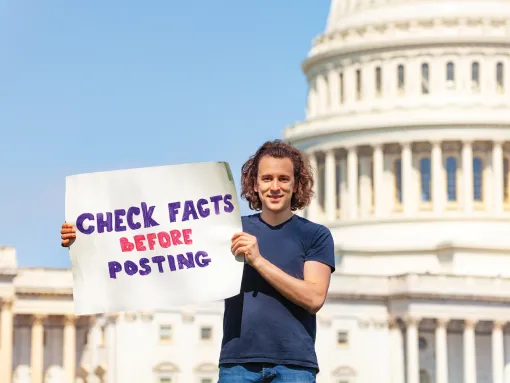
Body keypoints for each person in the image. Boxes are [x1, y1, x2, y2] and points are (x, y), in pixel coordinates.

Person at [60, 139, 335, 383]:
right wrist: (84, 238)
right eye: (267, 179)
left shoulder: (315, 235)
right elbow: (157, 246)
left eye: (283, 179)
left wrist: (258, 260)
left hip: (294, 364)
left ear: (296, 184)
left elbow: (313, 298)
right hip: (237, 362)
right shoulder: (228, 228)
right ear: (255, 183)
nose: (275, 187)